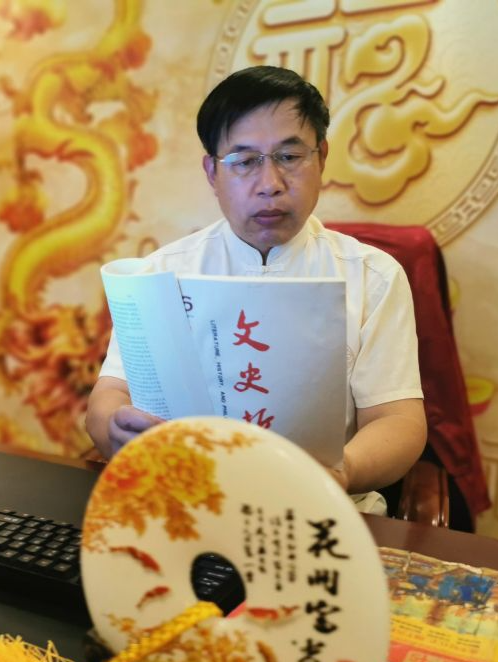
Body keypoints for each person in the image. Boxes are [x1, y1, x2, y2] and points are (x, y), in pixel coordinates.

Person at [85, 65, 427, 499]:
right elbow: (112, 392)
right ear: (212, 173)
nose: (270, 184)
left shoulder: (372, 275)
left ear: (321, 158)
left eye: (289, 157)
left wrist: (344, 472)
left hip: (324, 509)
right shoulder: (161, 272)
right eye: (245, 162)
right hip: (187, 504)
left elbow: (396, 419)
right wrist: (113, 427)